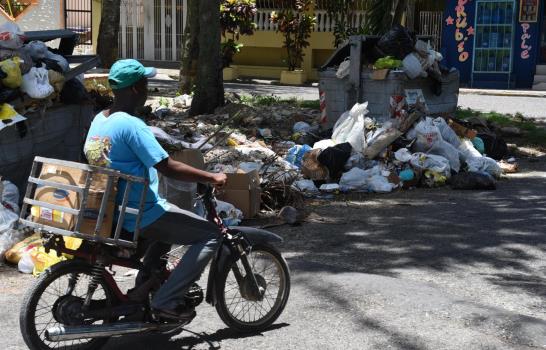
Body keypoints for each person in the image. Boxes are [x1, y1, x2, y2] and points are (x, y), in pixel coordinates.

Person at [84, 59, 227, 320]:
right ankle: (166, 301)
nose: (149, 87)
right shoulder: (132, 125)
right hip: (139, 212)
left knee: (170, 228)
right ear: (137, 89)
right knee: (210, 235)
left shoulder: (99, 120)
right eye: (146, 82)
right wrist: (210, 176)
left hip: (110, 209)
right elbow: (168, 167)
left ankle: (146, 287)